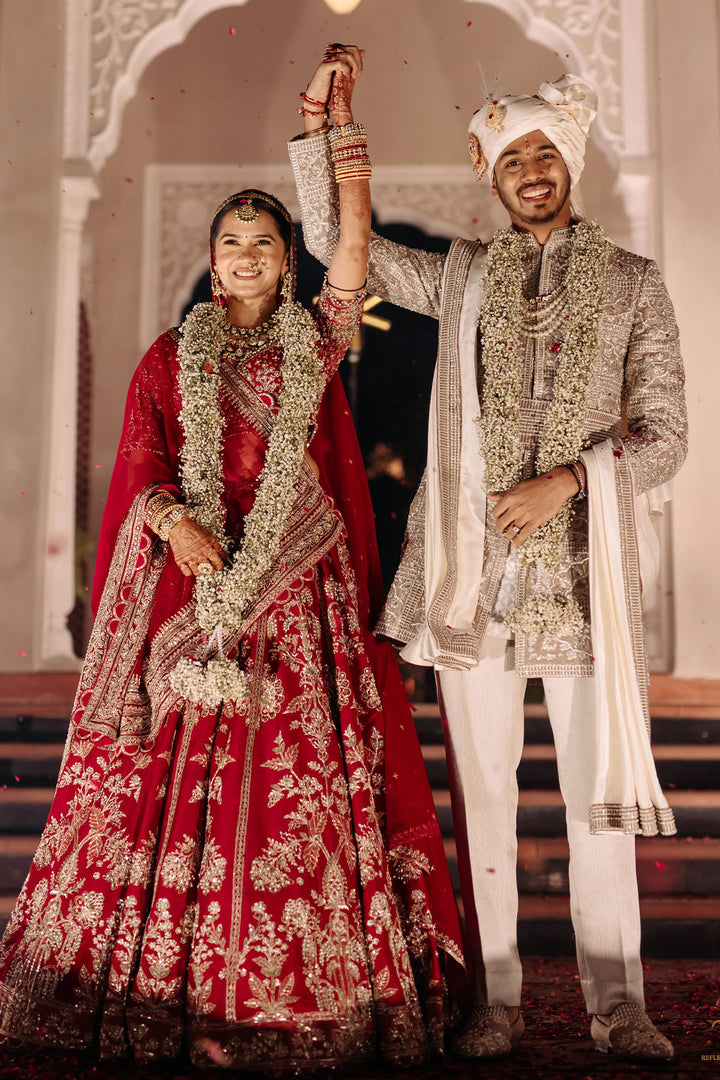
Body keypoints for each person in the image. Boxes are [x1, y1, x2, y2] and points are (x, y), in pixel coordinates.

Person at [0, 52, 464, 1073]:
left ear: (281, 263)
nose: (249, 253)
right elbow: (140, 463)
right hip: (194, 590)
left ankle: (292, 995)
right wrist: (176, 526)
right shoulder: (171, 360)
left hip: (298, 593)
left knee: (296, 784)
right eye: (232, 241)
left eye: (264, 241)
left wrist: (335, 127)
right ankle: (164, 984)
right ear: (213, 262)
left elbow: (353, 242)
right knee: (170, 774)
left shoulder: (314, 340)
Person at [290, 47, 687, 1062]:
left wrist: (570, 479)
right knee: (487, 792)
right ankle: (497, 996)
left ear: (571, 166)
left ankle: (617, 1004)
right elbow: (347, 248)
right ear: (494, 179)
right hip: (474, 584)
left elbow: (667, 433)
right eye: (515, 161)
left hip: (584, 583)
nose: (534, 171)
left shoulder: (636, 285)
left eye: (548, 153)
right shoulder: (460, 276)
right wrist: (324, 126)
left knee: (596, 799)